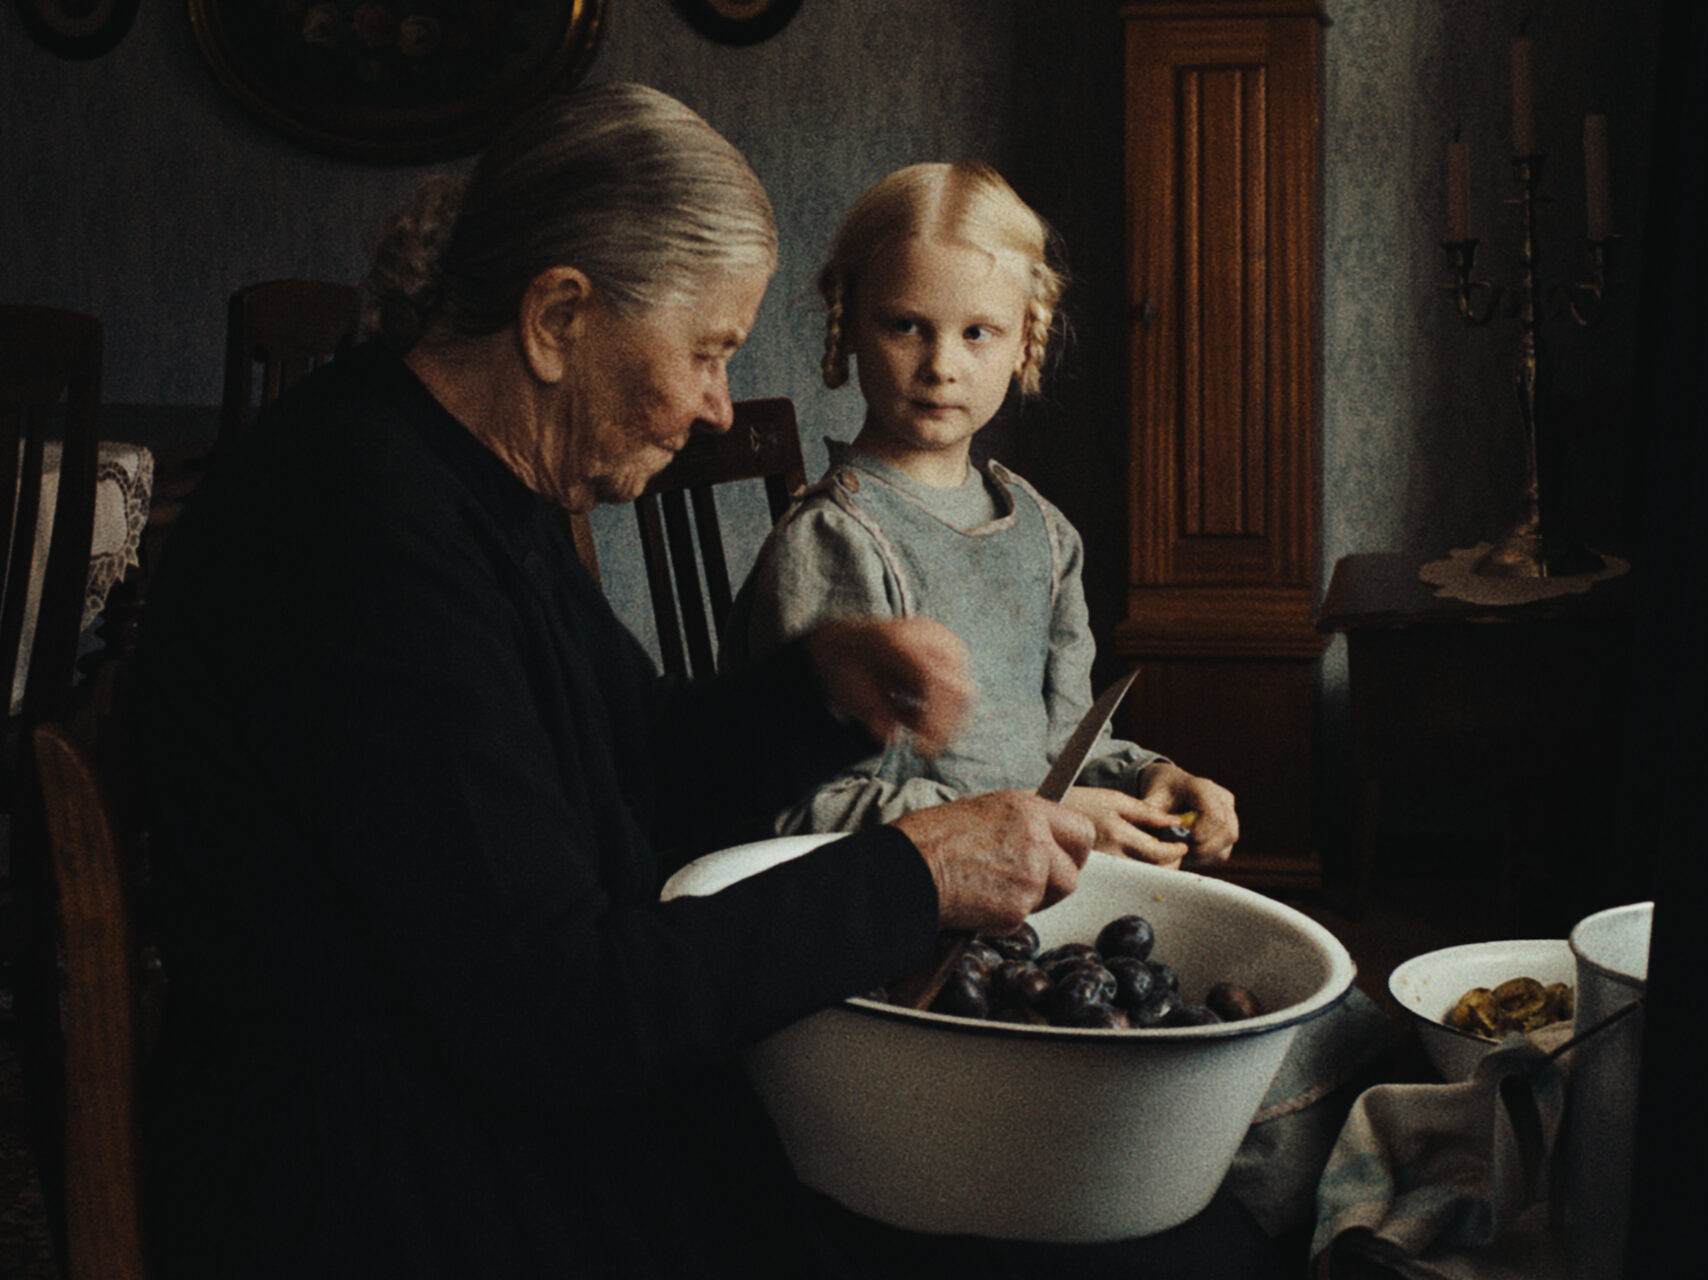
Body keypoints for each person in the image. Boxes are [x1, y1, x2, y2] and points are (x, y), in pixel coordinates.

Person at [133, 84, 1097, 1280]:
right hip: (375, 1176)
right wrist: (915, 873)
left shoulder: (473, 478)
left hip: (466, 1091)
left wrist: (820, 692)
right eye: (707, 350)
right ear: (558, 317)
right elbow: (557, 1011)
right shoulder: (362, 528)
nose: (715, 405)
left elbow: (627, 762)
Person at [723, 161, 1239, 866]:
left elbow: (1058, 747)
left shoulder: (1048, 535)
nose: (941, 364)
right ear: (848, 325)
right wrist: (1042, 814)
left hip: (1031, 880)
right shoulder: (833, 542)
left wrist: (1150, 778)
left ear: (1027, 340)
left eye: (978, 333)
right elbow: (802, 808)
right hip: (898, 904)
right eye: (906, 326)